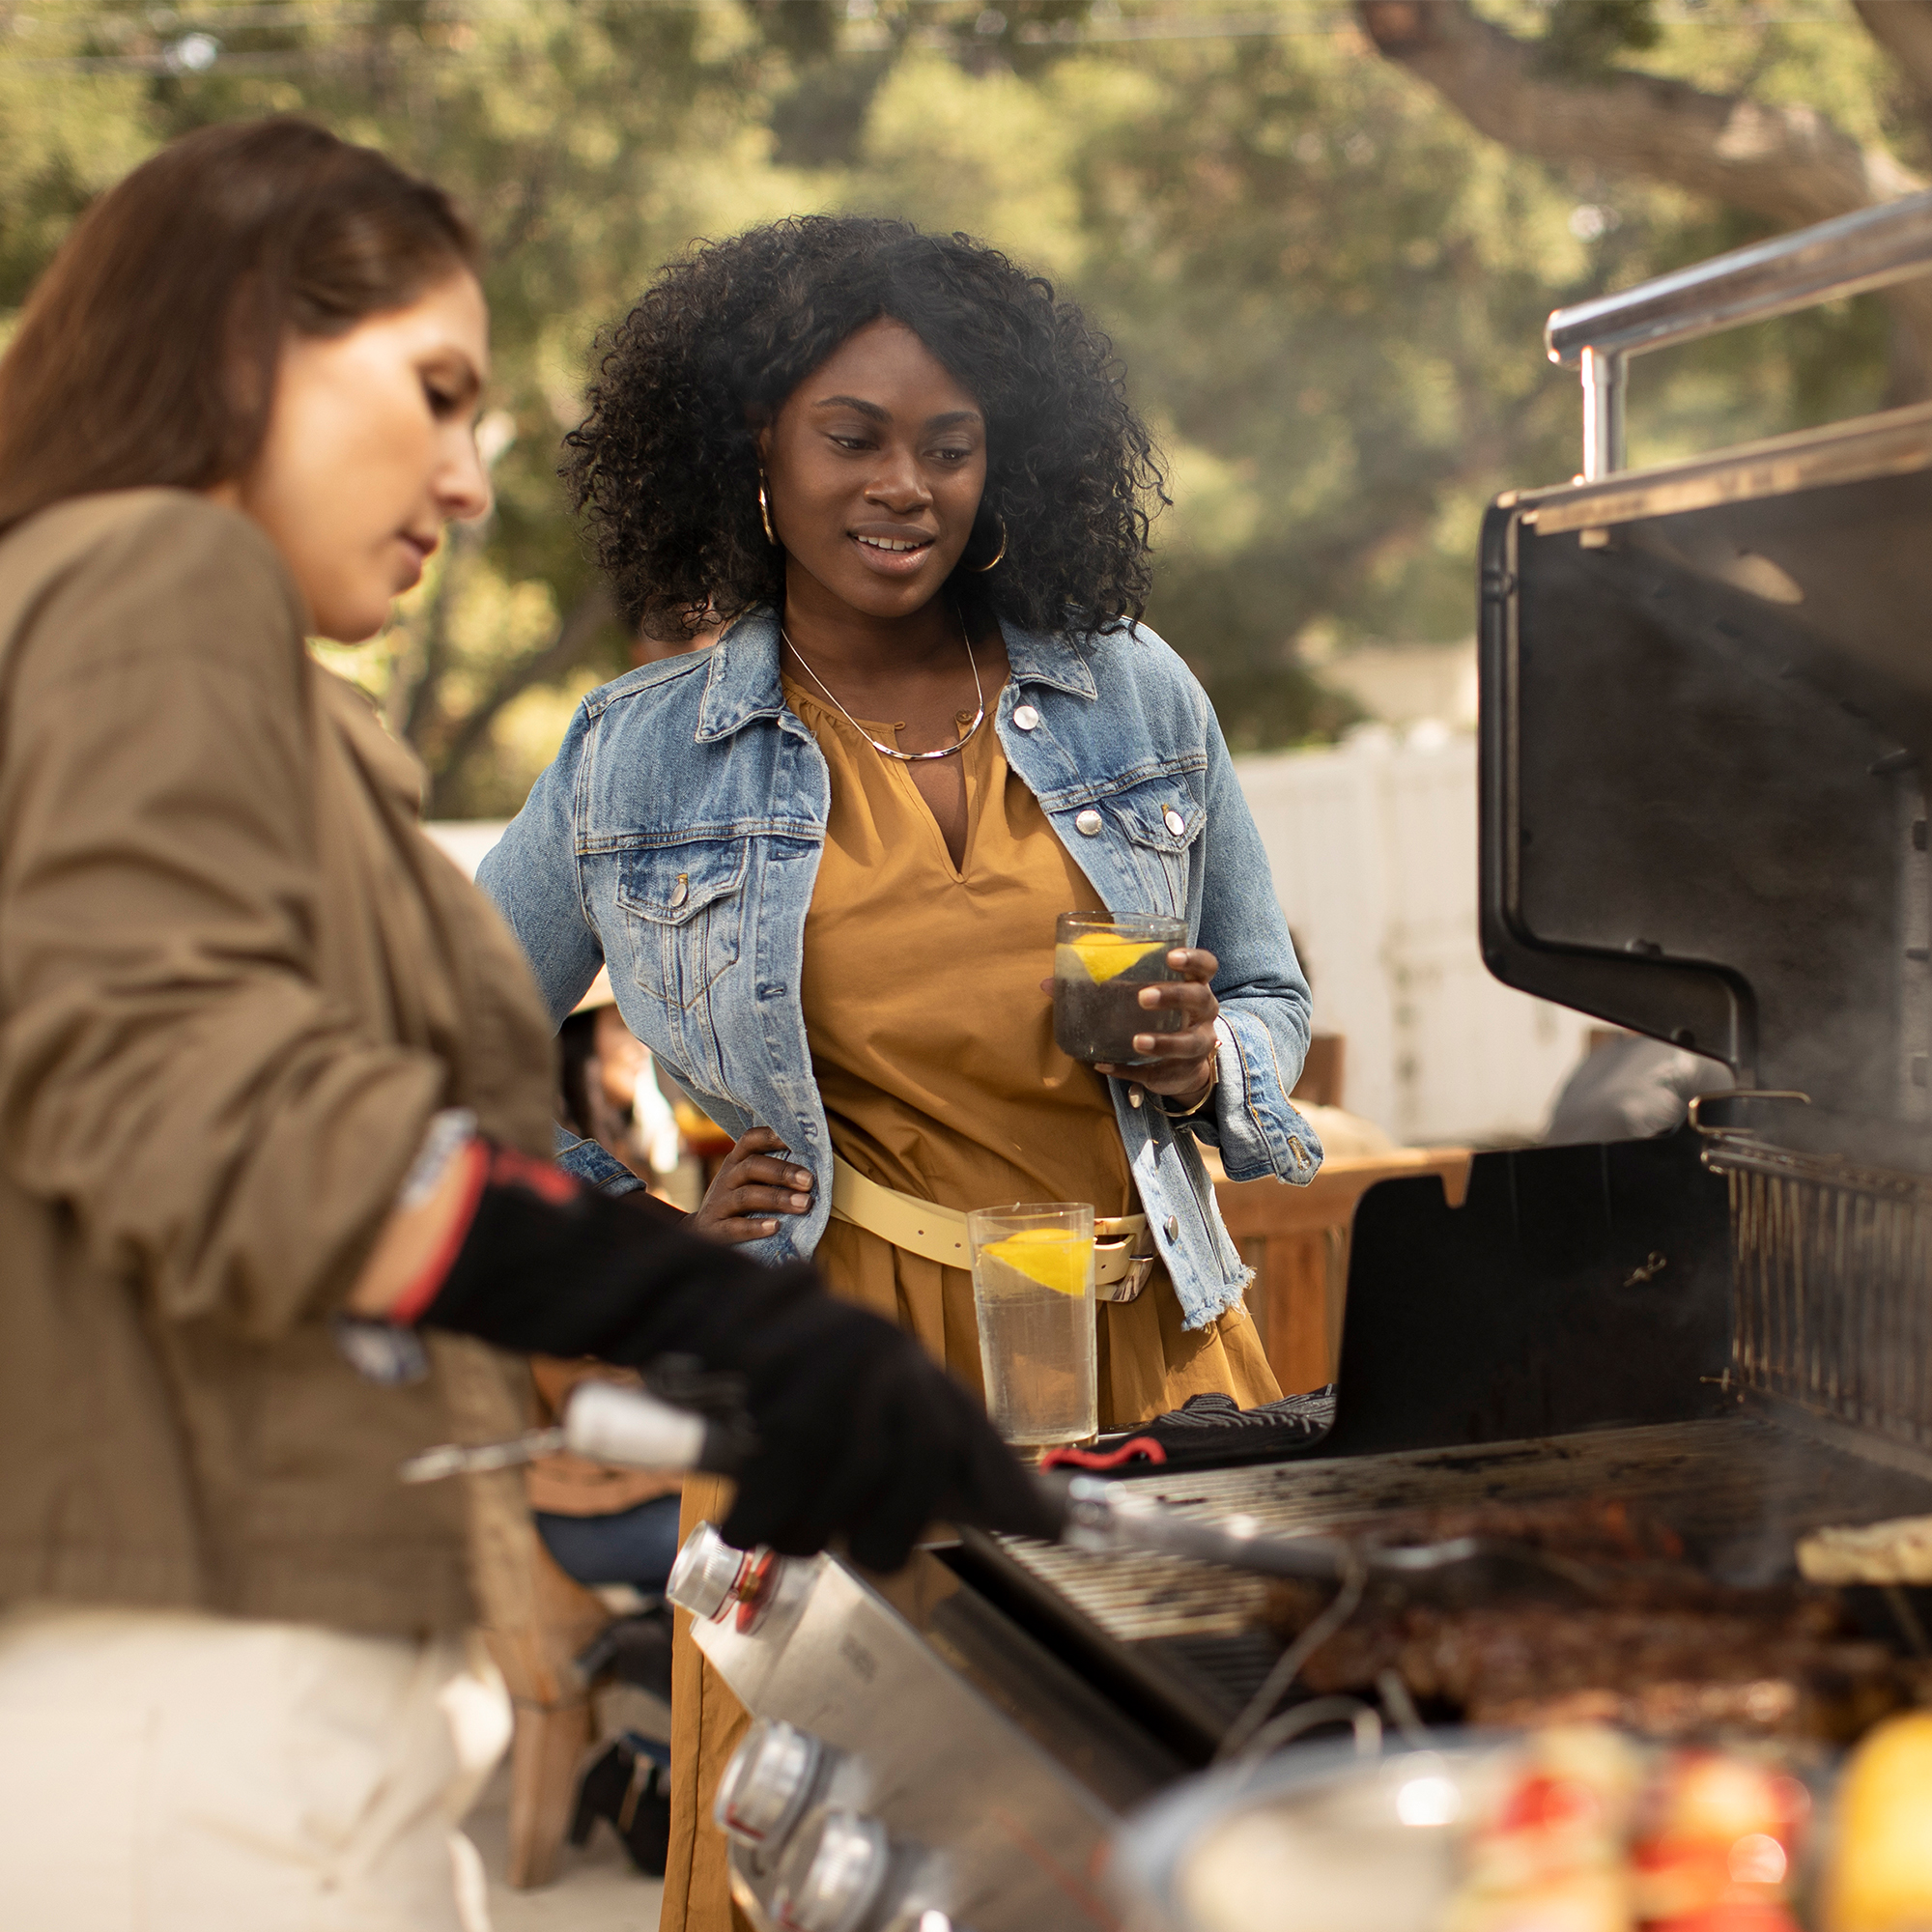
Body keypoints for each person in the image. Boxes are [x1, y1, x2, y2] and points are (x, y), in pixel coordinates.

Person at [0, 127, 1047, 1930]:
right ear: (246, 342)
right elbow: (181, 1091)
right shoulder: (151, 580)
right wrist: (688, 1297)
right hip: (196, 1722)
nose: (470, 482)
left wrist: (695, 1378)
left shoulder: (206, 666)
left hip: (277, 1694)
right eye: (432, 394)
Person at [478, 213, 1322, 1930]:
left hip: (1158, 1348)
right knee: (882, 1849)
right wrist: (636, 1243)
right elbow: (444, 1032)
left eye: (950, 444)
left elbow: (1265, 983)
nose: (905, 486)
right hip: (846, 1371)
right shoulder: (635, 758)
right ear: (758, 459)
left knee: (1205, 1822)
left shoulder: (1134, 692)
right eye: (851, 436)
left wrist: (1206, 1054)